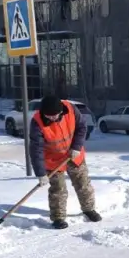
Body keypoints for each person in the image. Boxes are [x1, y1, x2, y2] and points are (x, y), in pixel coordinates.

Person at [29, 95, 102, 230]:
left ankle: (89, 209)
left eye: (54, 115)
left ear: (61, 111)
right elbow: (36, 150)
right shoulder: (37, 122)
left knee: (83, 184)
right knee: (58, 189)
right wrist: (41, 173)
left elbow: (82, 127)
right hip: (53, 159)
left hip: (73, 154)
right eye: (48, 116)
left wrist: (77, 146)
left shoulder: (70, 109)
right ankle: (58, 218)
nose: (52, 118)